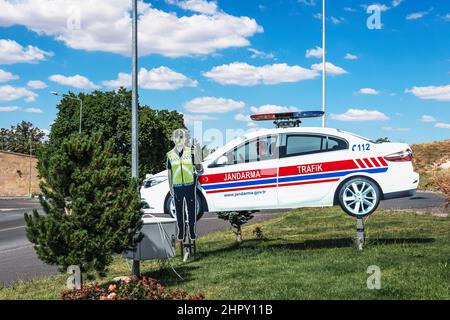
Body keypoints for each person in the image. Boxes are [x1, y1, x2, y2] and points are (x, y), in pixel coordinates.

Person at [167, 129, 202, 241]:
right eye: (177, 137)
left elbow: (199, 168)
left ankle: (192, 231)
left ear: (185, 139)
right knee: (178, 211)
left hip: (189, 185)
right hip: (177, 186)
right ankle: (181, 231)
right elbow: (169, 172)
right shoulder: (170, 155)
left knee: (191, 210)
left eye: (181, 137)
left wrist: (196, 155)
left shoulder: (190, 152)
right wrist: (170, 187)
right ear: (173, 139)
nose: (179, 140)